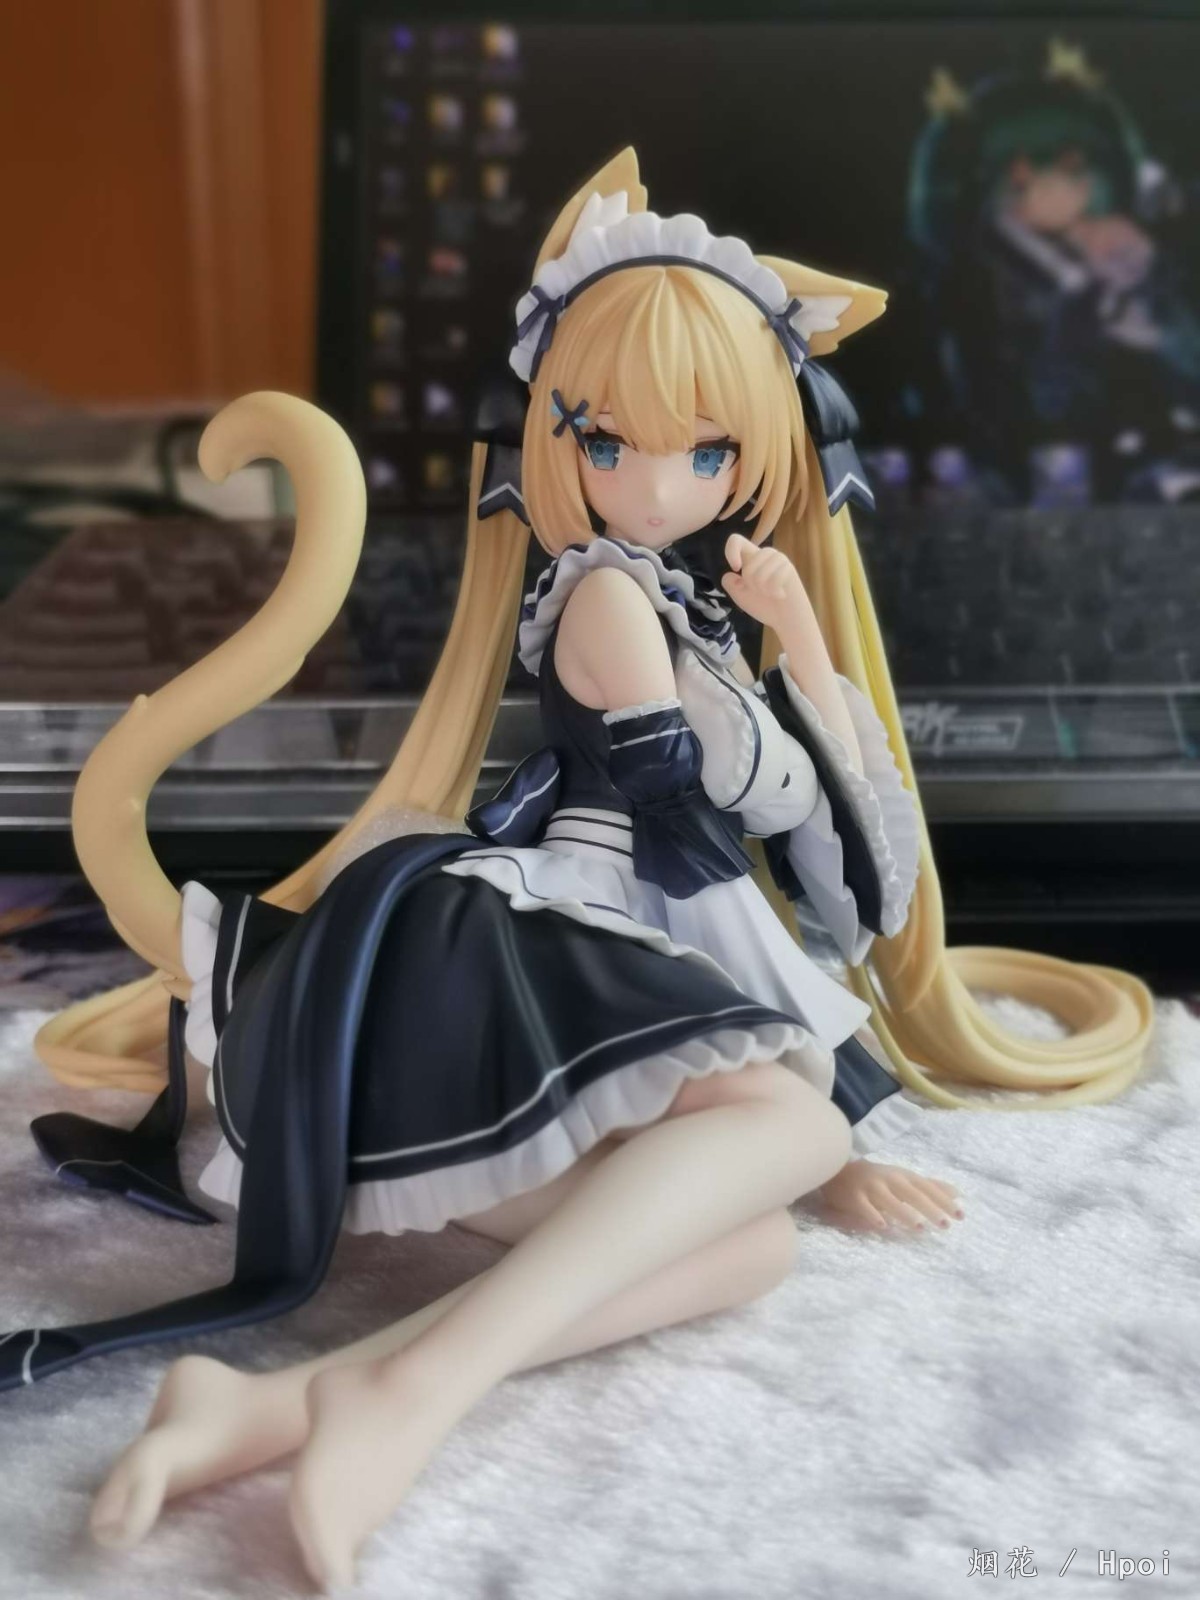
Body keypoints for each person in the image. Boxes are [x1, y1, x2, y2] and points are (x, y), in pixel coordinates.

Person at [10, 148, 1152, 1590]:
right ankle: (397, 1404)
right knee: (791, 1130)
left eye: (707, 453)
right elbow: (727, 799)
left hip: (649, 938)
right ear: (555, 439)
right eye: (606, 441)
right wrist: (785, 677)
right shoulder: (609, 597)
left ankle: (292, 1406)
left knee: (753, 1248)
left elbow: (856, 880)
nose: (654, 483)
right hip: (554, 939)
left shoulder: (700, 616)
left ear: (758, 455)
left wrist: (803, 645)